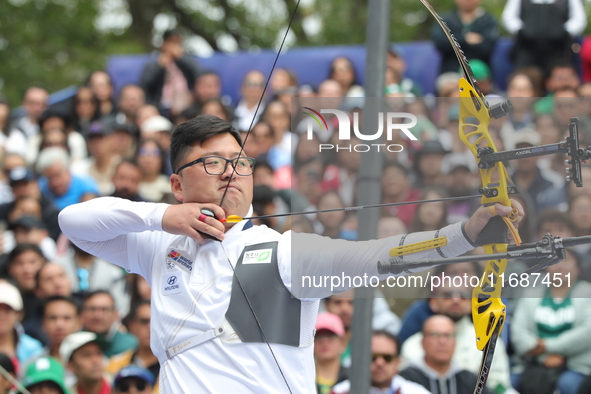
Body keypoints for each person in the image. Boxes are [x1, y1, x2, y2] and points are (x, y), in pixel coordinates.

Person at [58, 114, 523, 392]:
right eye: (213, 163)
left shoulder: (282, 252)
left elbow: (380, 257)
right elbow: (74, 222)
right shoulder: (160, 246)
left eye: (240, 163)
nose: (230, 175)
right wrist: (165, 217)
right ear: (178, 183)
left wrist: (464, 234)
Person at [400, 315, 491, 394]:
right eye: (435, 335)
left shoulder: (469, 380)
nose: (442, 341)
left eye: (448, 335)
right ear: (422, 341)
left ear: (455, 342)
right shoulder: (405, 379)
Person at [330, 331, 430, 394]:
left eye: (387, 358)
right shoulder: (340, 391)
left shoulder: (416, 392)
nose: (379, 363)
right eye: (373, 357)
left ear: (398, 362)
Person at [501, 0, 587, 71]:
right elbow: (508, 17)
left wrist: (562, 32)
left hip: (558, 49)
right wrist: (525, 31)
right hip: (527, 48)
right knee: (524, 79)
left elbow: (579, 20)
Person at [141, 30, 200, 117]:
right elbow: (145, 85)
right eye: (170, 42)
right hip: (160, 108)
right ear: (163, 44)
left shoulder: (187, 61)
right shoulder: (153, 64)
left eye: (177, 43)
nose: (173, 46)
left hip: (186, 107)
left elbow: (199, 76)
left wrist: (180, 58)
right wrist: (160, 66)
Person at [431, 0, 499, 74]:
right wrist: (465, 39)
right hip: (451, 71)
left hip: (480, 72)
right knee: (449, 84)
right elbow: (440, 43)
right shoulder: (445, 20)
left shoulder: (488, 21)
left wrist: (454, 41)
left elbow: (488, 47)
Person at [107, 301, 159, 393]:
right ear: (132, 325)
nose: (150, 326)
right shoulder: (114, 365)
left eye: (156, 321)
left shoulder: (177, 367)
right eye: (144, 321)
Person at [314, 312, 348, 394]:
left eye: (331, 336)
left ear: (342, 343)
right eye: (318, 336)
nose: (324, 341)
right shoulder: (300, 378)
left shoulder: (355, 379)